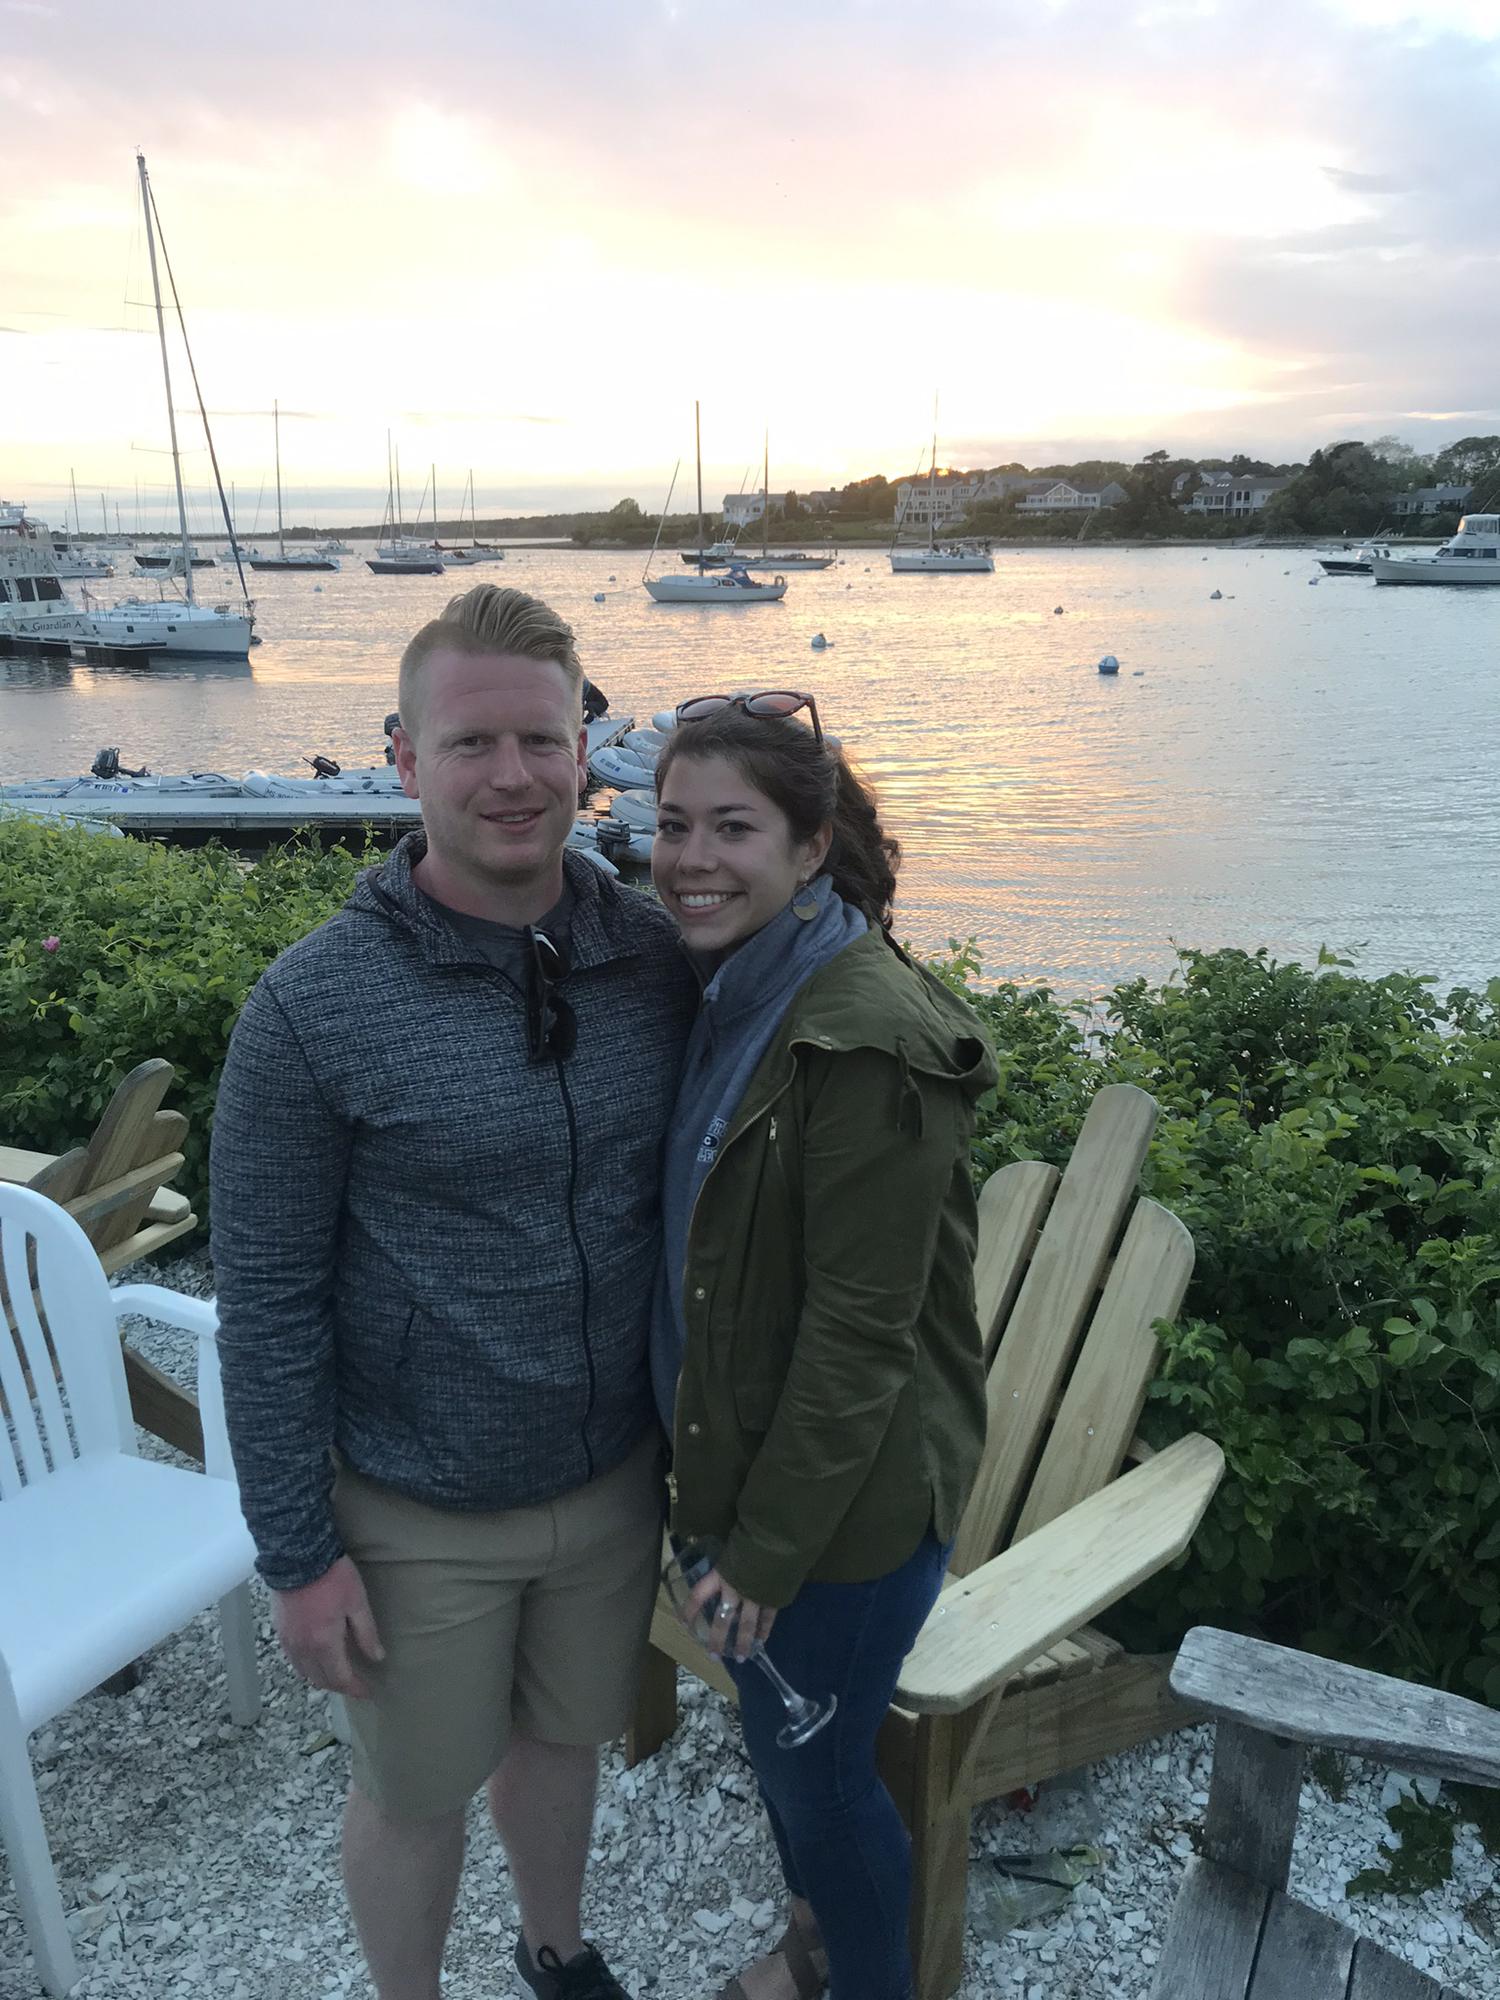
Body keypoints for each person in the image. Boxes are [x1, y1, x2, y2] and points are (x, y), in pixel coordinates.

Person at [210, 583, 695, 2000]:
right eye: (471, 743)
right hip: (415, 1506)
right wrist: (297, 1557)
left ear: (586, 753)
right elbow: (268, 1305)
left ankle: (557, 1951)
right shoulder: (314, 1007)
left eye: (541, 740)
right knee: (415, 1792)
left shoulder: (656, 960)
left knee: (563, 1738)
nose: (512, 775)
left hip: (613, 1479)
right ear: (405, 759)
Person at [648, 691, 997, 2000]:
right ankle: (814, 1954)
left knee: (824, 1781)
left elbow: (859, 1333)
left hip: (841, 1520)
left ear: (810, 849)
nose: (691, 858)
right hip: (748, 1479)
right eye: (672, 823)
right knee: (787, 1758)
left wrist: (762, 1553)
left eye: (733, 827)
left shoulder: (867, 1038)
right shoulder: (737, 989)